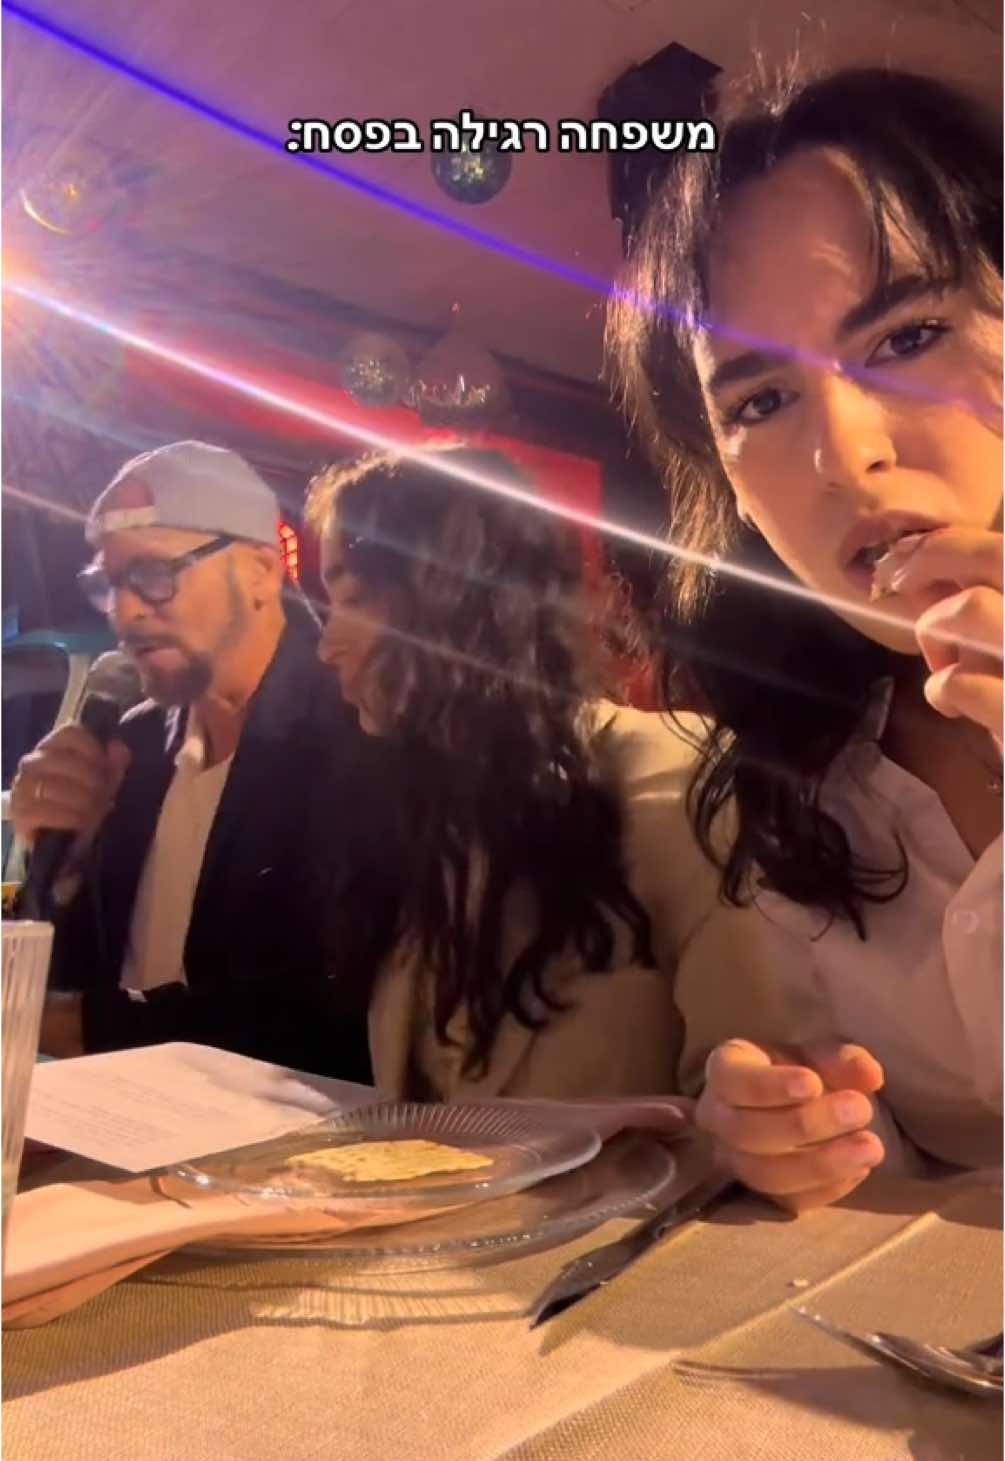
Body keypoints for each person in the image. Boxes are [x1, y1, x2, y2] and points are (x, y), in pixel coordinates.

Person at [608, 66, 1002, 1210]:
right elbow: (916, 1158)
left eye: (909, 335)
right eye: (760, 403)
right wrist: (794, 1130)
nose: (844, 456)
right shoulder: (805, 778)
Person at [306, 446, 779, 1100]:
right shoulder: (416, 816)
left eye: (354, 597)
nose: (326, 646)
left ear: (457, 598)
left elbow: (756, 1103)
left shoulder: (674, 782)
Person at [11, 440, 387, 1079]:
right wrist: (60, 864)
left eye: (154, 576)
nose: (127, 611)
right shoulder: (132, 745)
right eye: (109, 585)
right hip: (109, 1119)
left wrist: (65, 1023)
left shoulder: (355, 731)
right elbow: (72, 975)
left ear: (260, 572)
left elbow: (312, 1019)